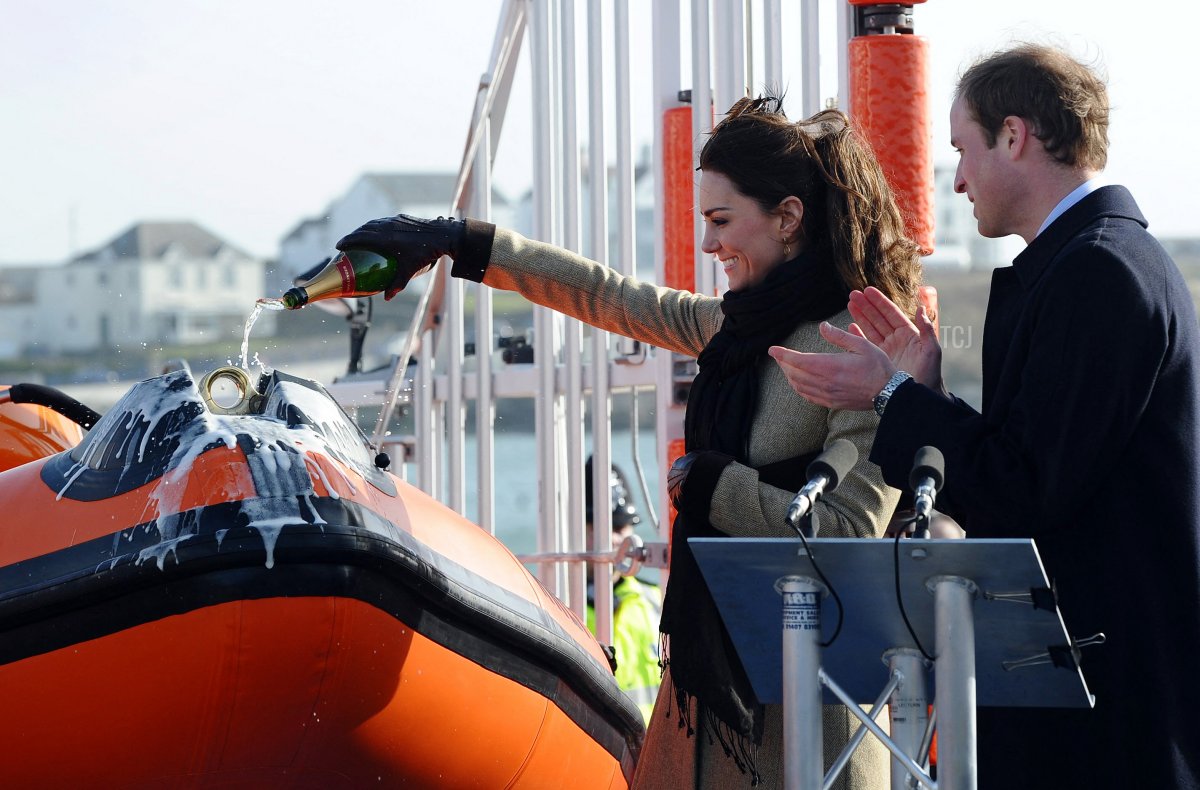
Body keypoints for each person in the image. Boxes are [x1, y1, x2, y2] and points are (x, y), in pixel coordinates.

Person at [336, 96, 925, 789]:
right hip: (702, 705)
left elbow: (849, 530)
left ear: (789, 218)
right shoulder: (736, 327)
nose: (708, 245)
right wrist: (457, 242)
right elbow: (610, 296)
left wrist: (716, 488)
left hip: (810, 720)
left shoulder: (861, 347)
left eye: (721, 220)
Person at [769, 43, 1200, 789]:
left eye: (964, 149)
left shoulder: (1099, 273)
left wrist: (892, 399)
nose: (958, 179)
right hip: (1089, 698)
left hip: (1100, 717)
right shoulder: (1103, 262)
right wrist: (925, 390)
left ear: (1015, 135)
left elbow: (1025, 486)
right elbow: (1039, 460)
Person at [583, 458, 663, 726]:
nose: (610, 540)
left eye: (618, 529)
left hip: (657, 757)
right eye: (594, 527)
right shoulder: (560, 607)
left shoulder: (659, 601)